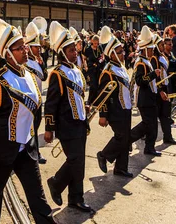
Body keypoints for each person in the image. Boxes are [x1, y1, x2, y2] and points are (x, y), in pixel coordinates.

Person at [0, 18, 54, 224]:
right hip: (2, 150)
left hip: (27, 149)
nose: (25, 50)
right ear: (7, 53)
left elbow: (36, 112)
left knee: (38, 198)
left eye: (24, 46)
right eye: (19, 48)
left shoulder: (32, 77)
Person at [44, 21, 92, 213]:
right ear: (62, 52)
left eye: (75, 49)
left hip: (80, 123)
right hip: (66, 124)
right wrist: (49, 128)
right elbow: (51, 102)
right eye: (71, 50)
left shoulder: (77, 71)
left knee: (79, 162)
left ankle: (76, 198)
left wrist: (85, 107)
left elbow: (78, 96)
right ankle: (56, 183)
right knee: (75, 160)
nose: (75, 53)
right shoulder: (57, 73)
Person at [96, 26, 134, 176]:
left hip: (126, 108)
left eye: (122, 51)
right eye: (119, 52)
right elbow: (103, 95)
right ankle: (104, 155)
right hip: (115, 110)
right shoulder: (108, 71)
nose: (122, 54)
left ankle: (121, 168)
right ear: (111, 54)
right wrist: (103, 115)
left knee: (126, 139)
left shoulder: (121, 67)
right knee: (121, 137)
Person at [24, 20, 49, 165]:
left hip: (39, 98)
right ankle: (33, 154)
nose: (39, 49)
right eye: (36, 47)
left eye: (39, 47)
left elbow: (44, 76)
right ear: (29, 48)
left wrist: (42, 63)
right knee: (30, 128)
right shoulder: (25, 62)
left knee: (36, 125)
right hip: (29, 100)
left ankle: (35, 152)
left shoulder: (40, 60)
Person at [84, 35, 104, 105]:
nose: (96, 45)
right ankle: (90, 100)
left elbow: (102, 56)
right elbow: (84, 59)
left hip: (98, 69)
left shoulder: (100, 48)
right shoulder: (88, 49)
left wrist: (101, 59)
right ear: (92, 41)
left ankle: (96, 100)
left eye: (97, 43)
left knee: (98, 85)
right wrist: (85, 67)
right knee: (93, 85)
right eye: (95, 43)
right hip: (91, 69)